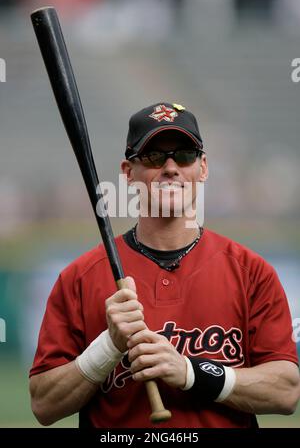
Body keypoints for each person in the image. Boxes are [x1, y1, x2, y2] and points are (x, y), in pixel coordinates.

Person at [29, 102, 300, 428]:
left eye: (184, 155)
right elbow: (44, 404)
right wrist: (108, 346)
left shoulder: (251, 273)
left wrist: (189, 372)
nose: (170, 167)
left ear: (203, 168)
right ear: (128, 173)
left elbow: (286, 392)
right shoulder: (80, 277)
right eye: (154, 157)